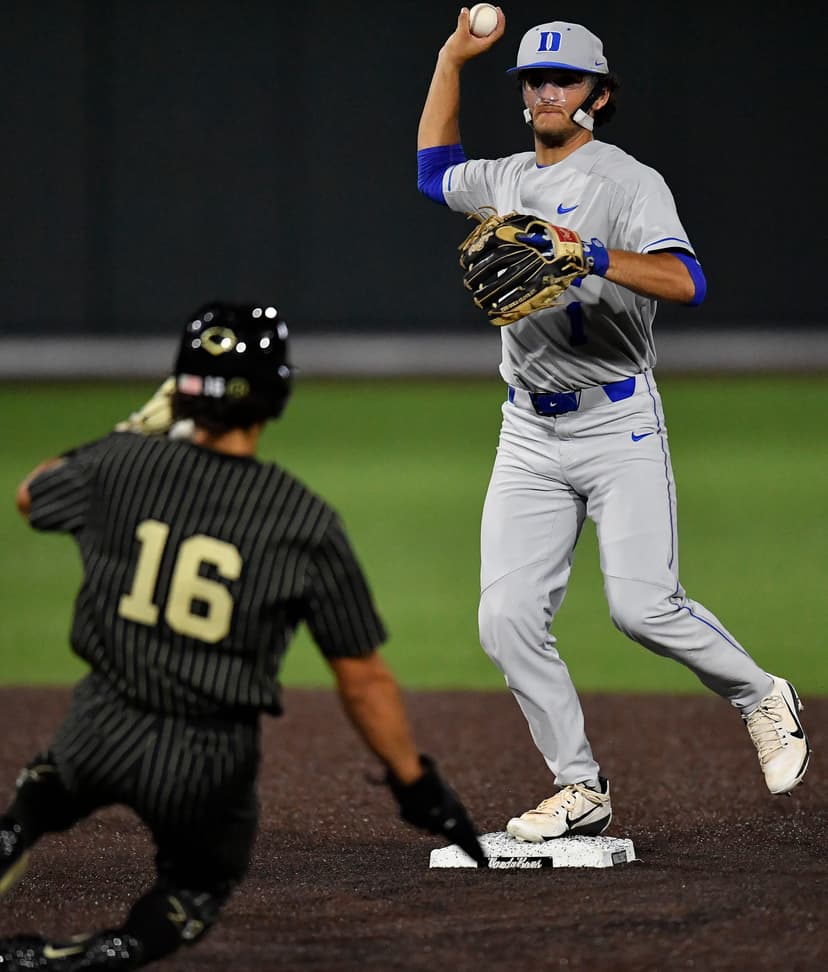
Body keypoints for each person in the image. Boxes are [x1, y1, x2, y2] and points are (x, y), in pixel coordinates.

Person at [416, 9, 810, 842]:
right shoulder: (504, 177)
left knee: (641, 608)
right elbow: (431, 172)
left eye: (563, 79)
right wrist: (453, 57)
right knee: (505, 618)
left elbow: (688, 281)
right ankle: (579, 785)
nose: (547, 91)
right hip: (527, 432)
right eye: (533, 79)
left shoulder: (628, 183)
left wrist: (588, 255)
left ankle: (760, 695)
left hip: (616, 425)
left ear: (598, 93)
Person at [0, 302, 485, 971]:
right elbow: (362, 677)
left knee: (40, 798)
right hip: (205, 759)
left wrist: (140, 426)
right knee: (195, 887)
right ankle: (84, 958)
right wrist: (415, 785)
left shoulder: (120, 465)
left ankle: (17, 825)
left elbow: (32, 496)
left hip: (99, 724)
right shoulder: (301, 520)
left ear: (180, 389)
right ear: (276, 393)